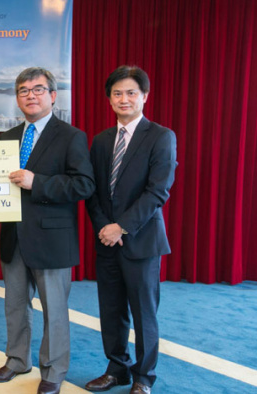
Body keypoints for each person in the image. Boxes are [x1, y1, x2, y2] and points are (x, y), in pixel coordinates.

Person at [0, 67, 95, 394]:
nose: (30, 95)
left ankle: (53, 370)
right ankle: (17, 360)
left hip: (52, 238)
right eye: (23, 90)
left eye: (38, 89)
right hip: (14, 237)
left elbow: (84, 185)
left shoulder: (71, 136)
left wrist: (40, 183)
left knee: (55, 311)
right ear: (17, 98)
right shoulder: (6, 138)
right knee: (14, 306)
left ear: (52, 95)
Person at [84, 65, 177, 394]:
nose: (124, 99)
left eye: (131, 93)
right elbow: (92, 191)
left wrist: (121, 227)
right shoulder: (100, 140)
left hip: (142, 241)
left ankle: (143, 377)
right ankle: (117, 369)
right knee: (111, 310)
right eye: (117, 93)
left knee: (143, 313)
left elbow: (157, 192)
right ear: (109, 100)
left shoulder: (161, 137)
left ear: (145, 97)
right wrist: (105, 229)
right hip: (106, 242)